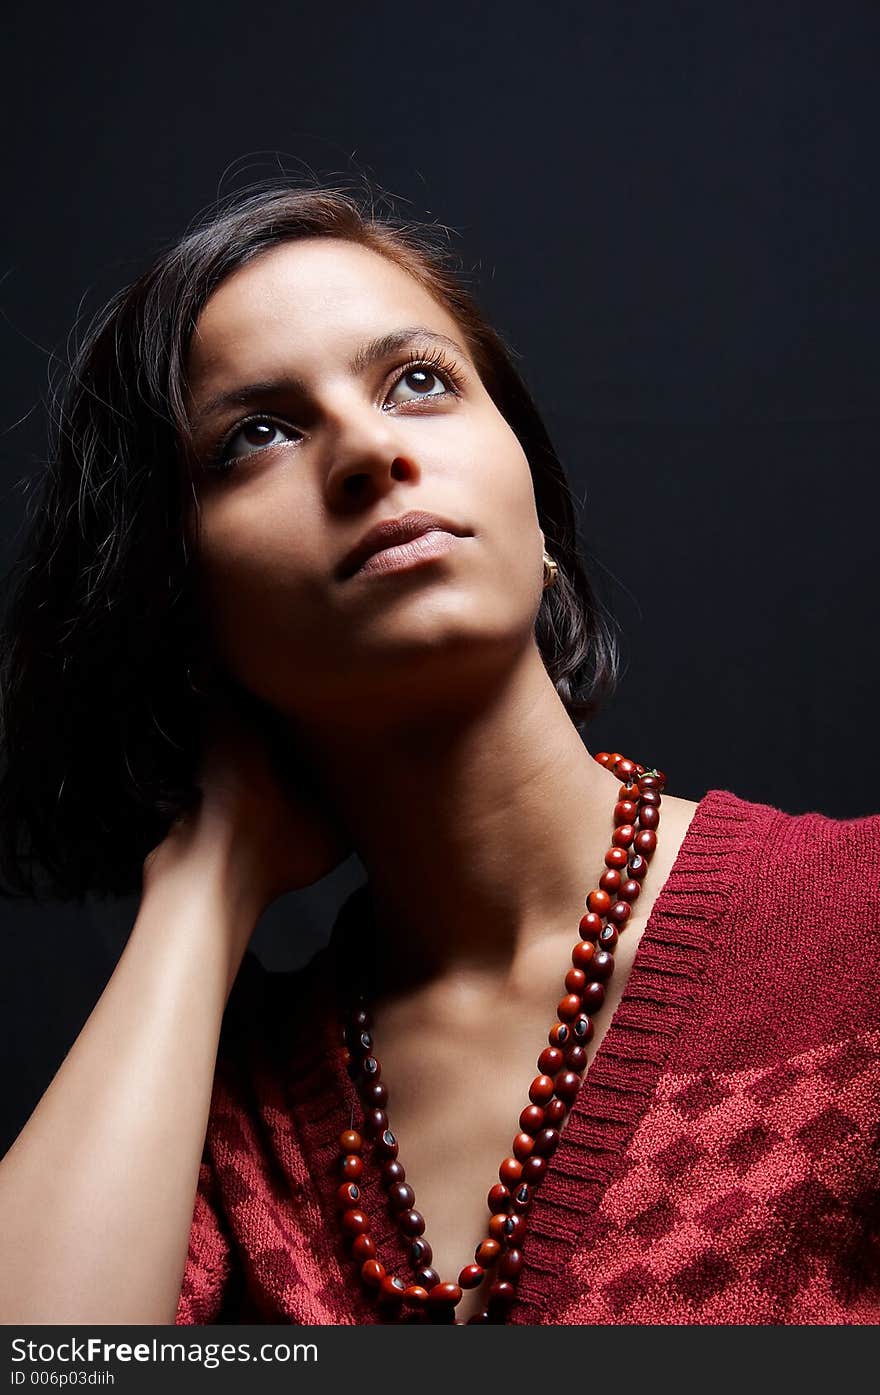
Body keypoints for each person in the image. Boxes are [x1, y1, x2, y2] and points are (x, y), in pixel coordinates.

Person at [0, 180, 877, 1327]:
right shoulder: (210, 1123)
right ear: (179, 608)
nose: (368, 449)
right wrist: (201, 892)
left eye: (418, 380)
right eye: (255, 433)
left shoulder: (856, 930)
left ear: (537, 509)